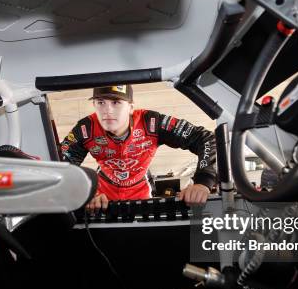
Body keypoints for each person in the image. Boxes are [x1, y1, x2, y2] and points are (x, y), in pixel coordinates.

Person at [60, 85, 216, 211]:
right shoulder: (85, 128)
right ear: (94, 105)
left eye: (116, 102)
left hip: (141, 189)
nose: (107, 110)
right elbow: (59, 165)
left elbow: (205, 138)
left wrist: (203, 182)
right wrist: (84, 193)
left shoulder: (151, 122)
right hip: (102, 193)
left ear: (131, 107)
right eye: (101, 102)